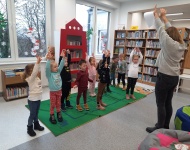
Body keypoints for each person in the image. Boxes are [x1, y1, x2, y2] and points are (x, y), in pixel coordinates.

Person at [146, 6, 186, 133]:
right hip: (174, 77)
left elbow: (160, 28)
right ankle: (166, 125)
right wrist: (164, 17)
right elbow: (170, 30)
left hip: (164, 76)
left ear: (169, 36)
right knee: (168, 102)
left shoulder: (168, 43)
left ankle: (159, 127)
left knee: (160, 103)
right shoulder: (181, 45)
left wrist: (156, 15)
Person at [23, 56, 44, 137]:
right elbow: (35, 71)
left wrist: (38, 63)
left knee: (36, 113)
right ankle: (29, 128)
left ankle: (36, 125)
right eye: (34, 70)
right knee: (32, 114)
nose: (37, 71)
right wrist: (37, 63)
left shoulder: (36, 78)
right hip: (32, 100)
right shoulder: (30, 79)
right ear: (30, 72)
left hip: (38, 98)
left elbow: (36, 71)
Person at [46, 49, 65, 124]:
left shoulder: (58, 71)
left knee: (58, 103)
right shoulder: (49, 74)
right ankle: (51, 114)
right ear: (51, 69)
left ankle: (58, 113)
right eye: (54, 67)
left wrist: (63, 58)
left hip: (59, 91)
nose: (56, 68)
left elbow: (61, 65)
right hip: (53, 92)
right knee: (53, 104)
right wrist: (49, 60)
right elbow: (47, 68)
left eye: (56, 66)